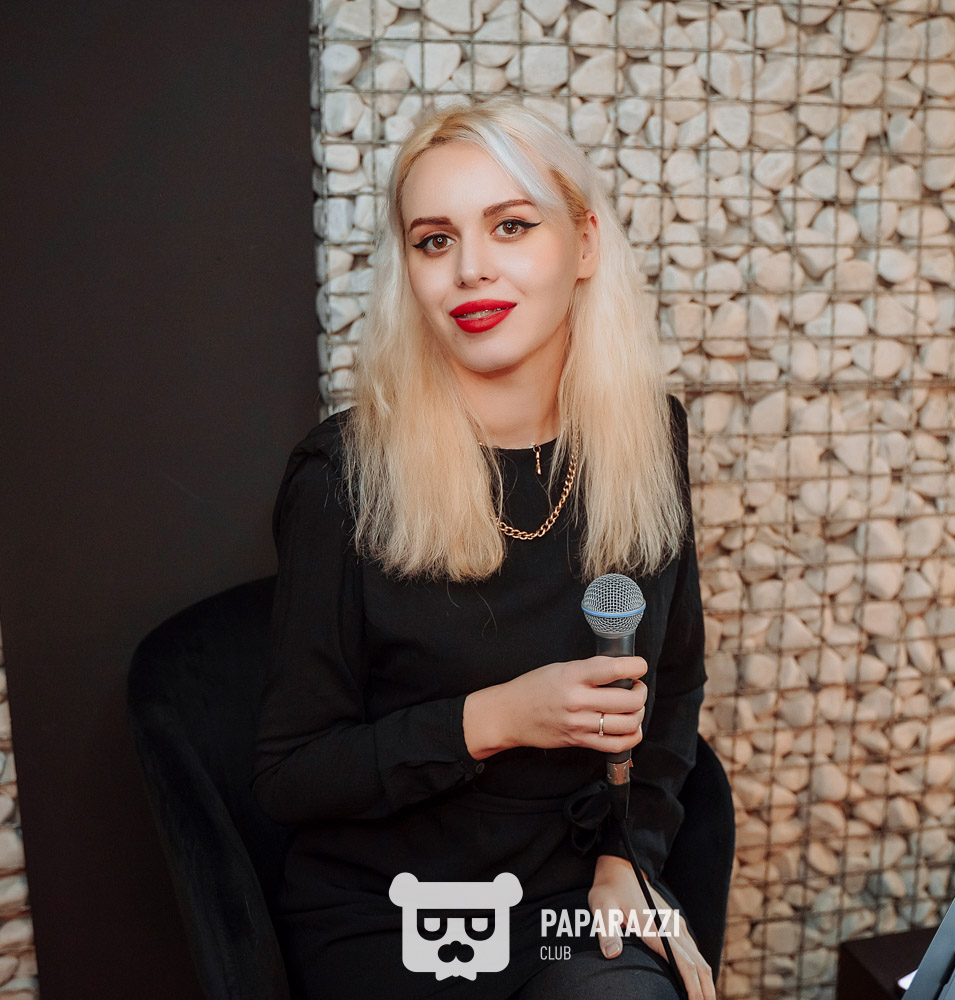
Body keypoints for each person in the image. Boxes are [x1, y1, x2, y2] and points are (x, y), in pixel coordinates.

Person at [251, 95, 714, 1000]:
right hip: (400, 910)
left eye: (510, 226)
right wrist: (497, 718)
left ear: (584, 244)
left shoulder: (648, 438)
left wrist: (630, 859)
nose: (470, 269)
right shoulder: (341, 479)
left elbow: (673, 683)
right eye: (435, 241)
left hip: (567, 892)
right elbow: (289, 775)